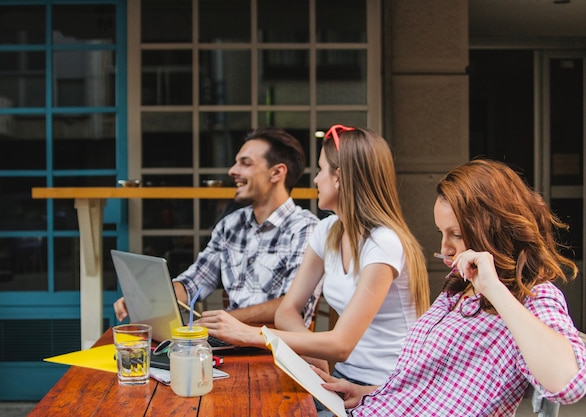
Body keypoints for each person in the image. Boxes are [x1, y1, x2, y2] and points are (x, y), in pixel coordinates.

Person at [314, 159, 586, 416]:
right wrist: (368, 393)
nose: (444, 248)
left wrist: (494, 288)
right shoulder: (457, 289)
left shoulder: (533, 296)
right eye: (440, 233)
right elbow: (435, 392)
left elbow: (568, 384)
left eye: (455, 234)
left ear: (494, 230)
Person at [196, 125, 430, 392]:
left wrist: (251, 334)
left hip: (391, 386)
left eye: (320, 170)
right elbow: (287, 310)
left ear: (339, 177)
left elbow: (341, 345)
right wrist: (316, 355)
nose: (316, 180)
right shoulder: (328, 231)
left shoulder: (383, 243)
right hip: (344, 378)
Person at [113, 127, 320, 326]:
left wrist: (226, 319)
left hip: (280, 348)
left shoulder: (306, 230)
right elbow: (193, 282)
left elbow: (293, 306)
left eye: (245, 163)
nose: (232, 171)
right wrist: (148, 300)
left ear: (276, 173)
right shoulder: (231, 225)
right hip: (230, 342)